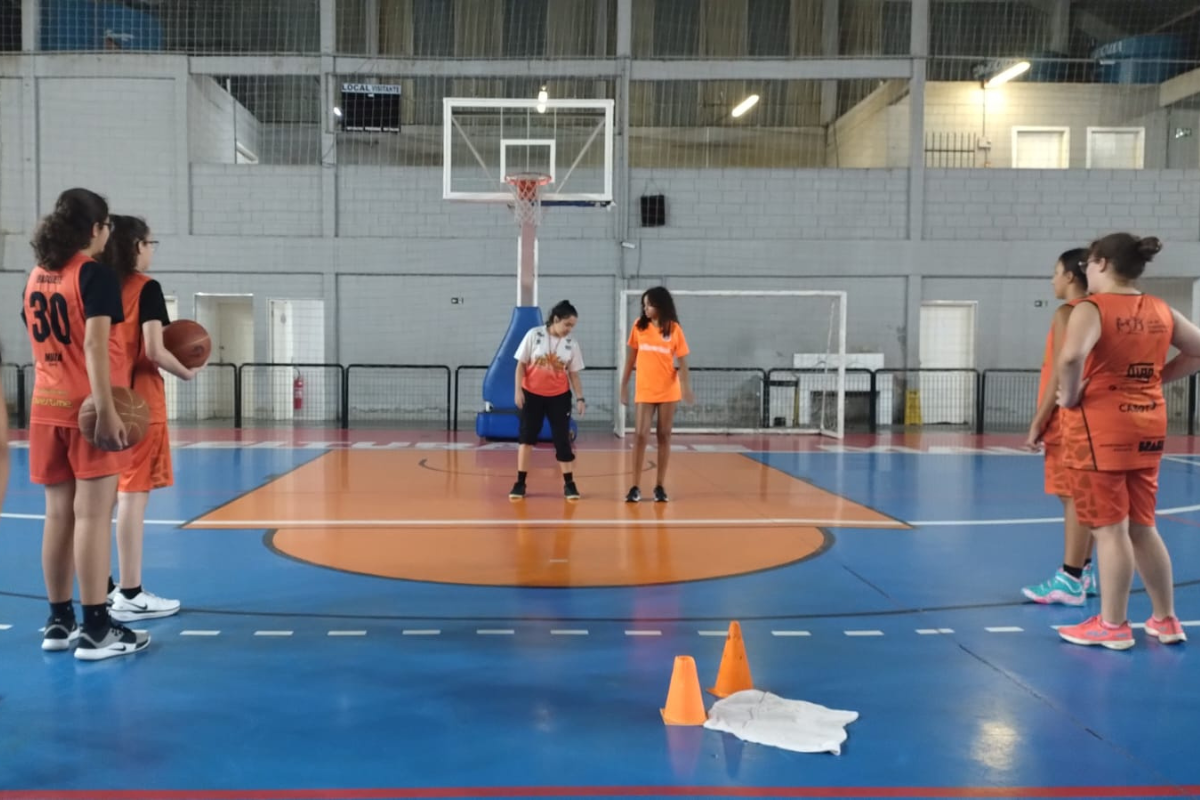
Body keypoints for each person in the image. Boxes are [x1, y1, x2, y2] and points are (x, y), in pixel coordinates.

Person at [1056, 233, 1200, 650]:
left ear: (1100, 263)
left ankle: (1113, 624)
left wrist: (1068, 394)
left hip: (1099, 430)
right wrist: (1156, 377)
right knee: (1142, 525)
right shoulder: (1160, 309)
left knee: (1108, 530)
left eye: (1087, 265)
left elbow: (1070, 357)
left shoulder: (1092, 309)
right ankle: (1165, 619)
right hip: (1148, 426)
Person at [24, 188, 149, 660]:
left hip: (44, 408)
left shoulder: (37, 275)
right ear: (97, 230)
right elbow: (96, 347)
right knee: (93, 516)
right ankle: (97, 627)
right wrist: (107, 407)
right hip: (86, 411)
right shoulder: (92, 275)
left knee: (57, 515)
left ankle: (59, 620)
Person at [103, 215, 201, 621]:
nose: (153, 249)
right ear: (135, 246)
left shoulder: (95, 283)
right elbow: (155, 350)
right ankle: (131, 593)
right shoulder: (146, 289)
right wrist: (188, 371)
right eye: (150, 242)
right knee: (132, 498)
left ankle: (101, 587)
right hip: (137, 404)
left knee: (97, 502)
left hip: (96, 402)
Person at [1021, 248, 1097, 606]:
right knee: (1088, 498)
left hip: (1068, 420)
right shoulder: (1100, 311)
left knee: (1074, 499)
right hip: (1095, 419)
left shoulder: (1069, 312)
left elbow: (1060, 371)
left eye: (1055, 273)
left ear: (1070, 277)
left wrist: (1038, 420)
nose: (1052, 280)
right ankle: (1085, 570)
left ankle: (1070, 578)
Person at [619, 286, 693, 503]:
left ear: (660, 305)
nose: (645, 308)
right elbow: (630, 359)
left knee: (664, 435)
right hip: (645, 388)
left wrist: (686, 387)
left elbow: (683, 362)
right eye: (643, 305)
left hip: (668, 389)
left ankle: (659, 486)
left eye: (649, 304)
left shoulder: (674, 329)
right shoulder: (638, 326)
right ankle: (634, 486)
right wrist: (623, 385)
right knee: (640, 435)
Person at [509, 300, 585, 500]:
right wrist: (518, 391)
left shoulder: (571, 344)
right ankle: (520, 482)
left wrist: (580, 398)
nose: (569, 329)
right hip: (531, 394)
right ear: (556, 319)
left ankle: (569, 484)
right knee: (526, 438)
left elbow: (574, 374)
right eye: (567, 324)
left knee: (562, 440)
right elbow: (520, 366)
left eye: (572, 326)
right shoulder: (534, 335)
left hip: (559, 397)